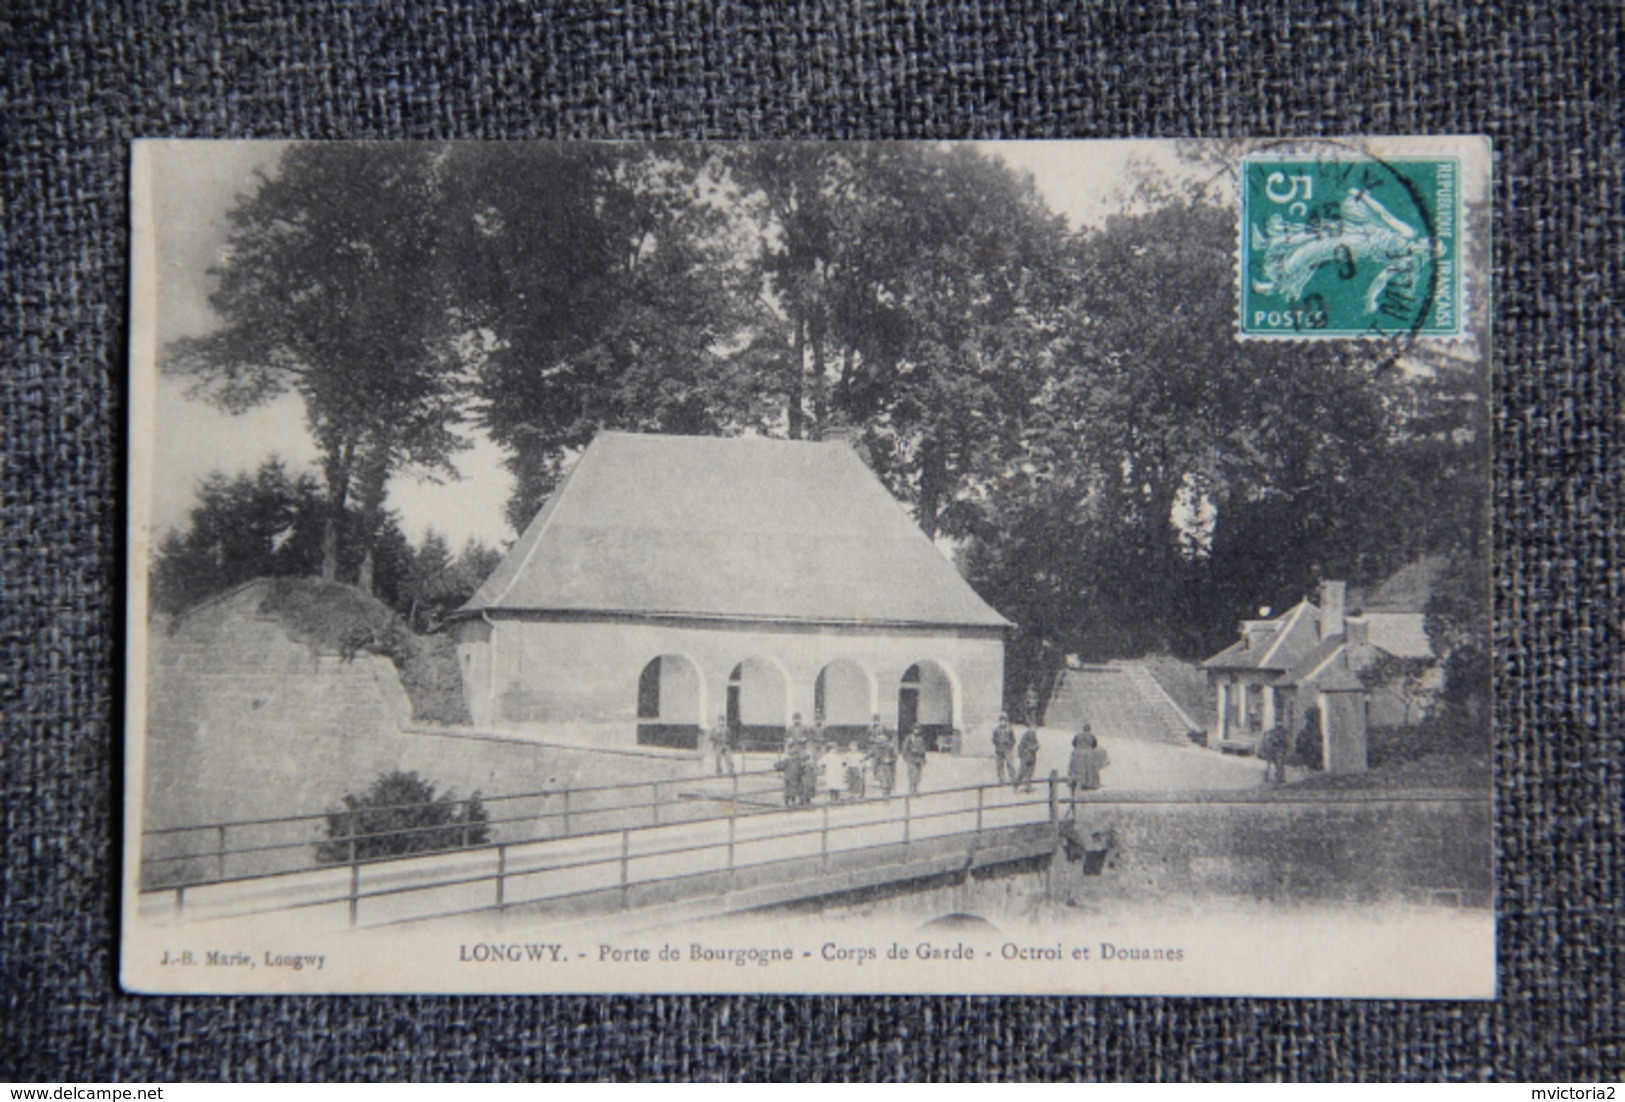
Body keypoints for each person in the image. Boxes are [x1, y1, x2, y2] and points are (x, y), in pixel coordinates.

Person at [1067, 724, 1109, 797]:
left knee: (1077, 769)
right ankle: (1089, 783)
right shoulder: (1092, 736)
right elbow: (1094, 745)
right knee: (1089, 769)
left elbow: (1073, 743)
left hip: (1078, 753)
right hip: (1088, 754)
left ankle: (1075, 781)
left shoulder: (1078, 736)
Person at [866, 716, 898, 798]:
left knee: (889, 777)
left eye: (877, 720)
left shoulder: (883, 728)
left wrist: (890, 759)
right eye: (874, 720)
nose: (875, 722)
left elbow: (894, 755)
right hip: (878, 756)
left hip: (888, 763)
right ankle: (884, 789)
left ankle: (887, 790)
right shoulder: (870, 729)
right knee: (880, 774)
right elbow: (867, 739)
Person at [900, 726, 928, 796]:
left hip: (918, 759)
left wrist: (923, 758)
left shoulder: (920, 739)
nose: (917, 730)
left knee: (918, 775)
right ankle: (911, 789)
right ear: (913, 729)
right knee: (912, 774)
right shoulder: (909, 738)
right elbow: (904, 747)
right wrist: (905, 756)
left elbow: (923, 749)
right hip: (911, 759)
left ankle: (915, 788)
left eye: (918, 729)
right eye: (915, 728)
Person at [990, 712, 1016, 785]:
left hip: (1007, 750)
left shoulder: (1009, 730)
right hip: (999, 750)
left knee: (1010, 765)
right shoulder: (996, 730)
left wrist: (1009, 745)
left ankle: (1013, 779)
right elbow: (993, 739)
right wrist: (997, 744)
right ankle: (1001, 780)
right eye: (1001, 721)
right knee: (999, 765)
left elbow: (1013, 740)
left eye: (1004, 721)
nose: (1003, 723)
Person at [1015, 725, 1040, 793]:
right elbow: (1022, 745)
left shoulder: (1033, 735)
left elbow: (1037, 745)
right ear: (1030, 728)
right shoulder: (1026, 735)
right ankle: (1016, 786)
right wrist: (1022, 754)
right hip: (1026, 756)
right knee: (1022, 772)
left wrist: (1035, 747)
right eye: (1033, 728)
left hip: (1032, 756)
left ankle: (1028, 787)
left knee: (1030, 773)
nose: (1035, 729)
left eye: (1035, 728)